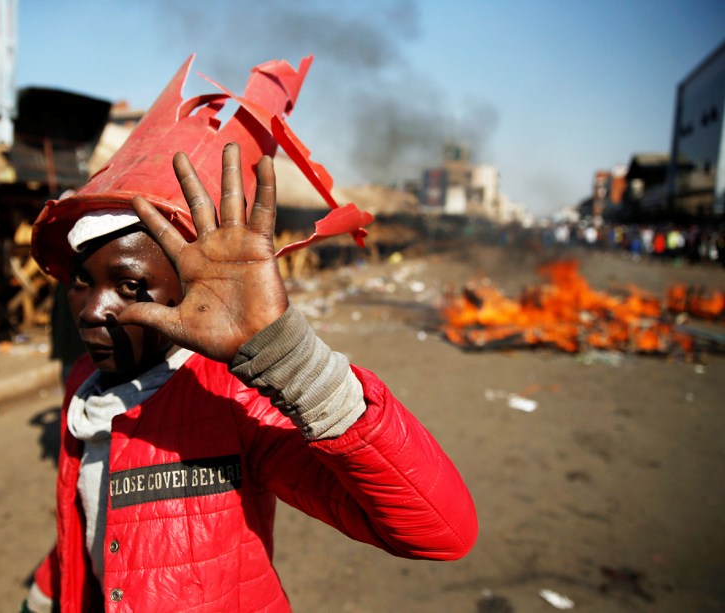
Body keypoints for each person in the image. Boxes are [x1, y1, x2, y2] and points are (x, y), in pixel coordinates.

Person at [23, 56, 477, 612]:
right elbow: (96, 514)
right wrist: (49, 590)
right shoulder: (84, 386)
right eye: (80, 282)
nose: (94, 310)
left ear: (186, 292)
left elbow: (439, 532)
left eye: (131, 286)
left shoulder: (233, 407)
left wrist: (293, 362)